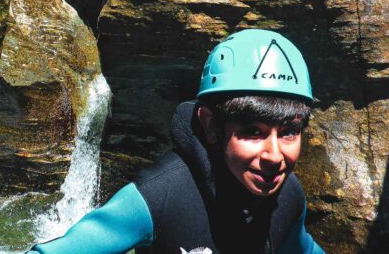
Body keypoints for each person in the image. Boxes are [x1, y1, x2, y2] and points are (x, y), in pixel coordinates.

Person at [28, 29, 325, 254]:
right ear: (211, 125)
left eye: (288, 132)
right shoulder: (160, 196)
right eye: (252, 132)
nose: (274, 155)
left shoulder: (287, 197)